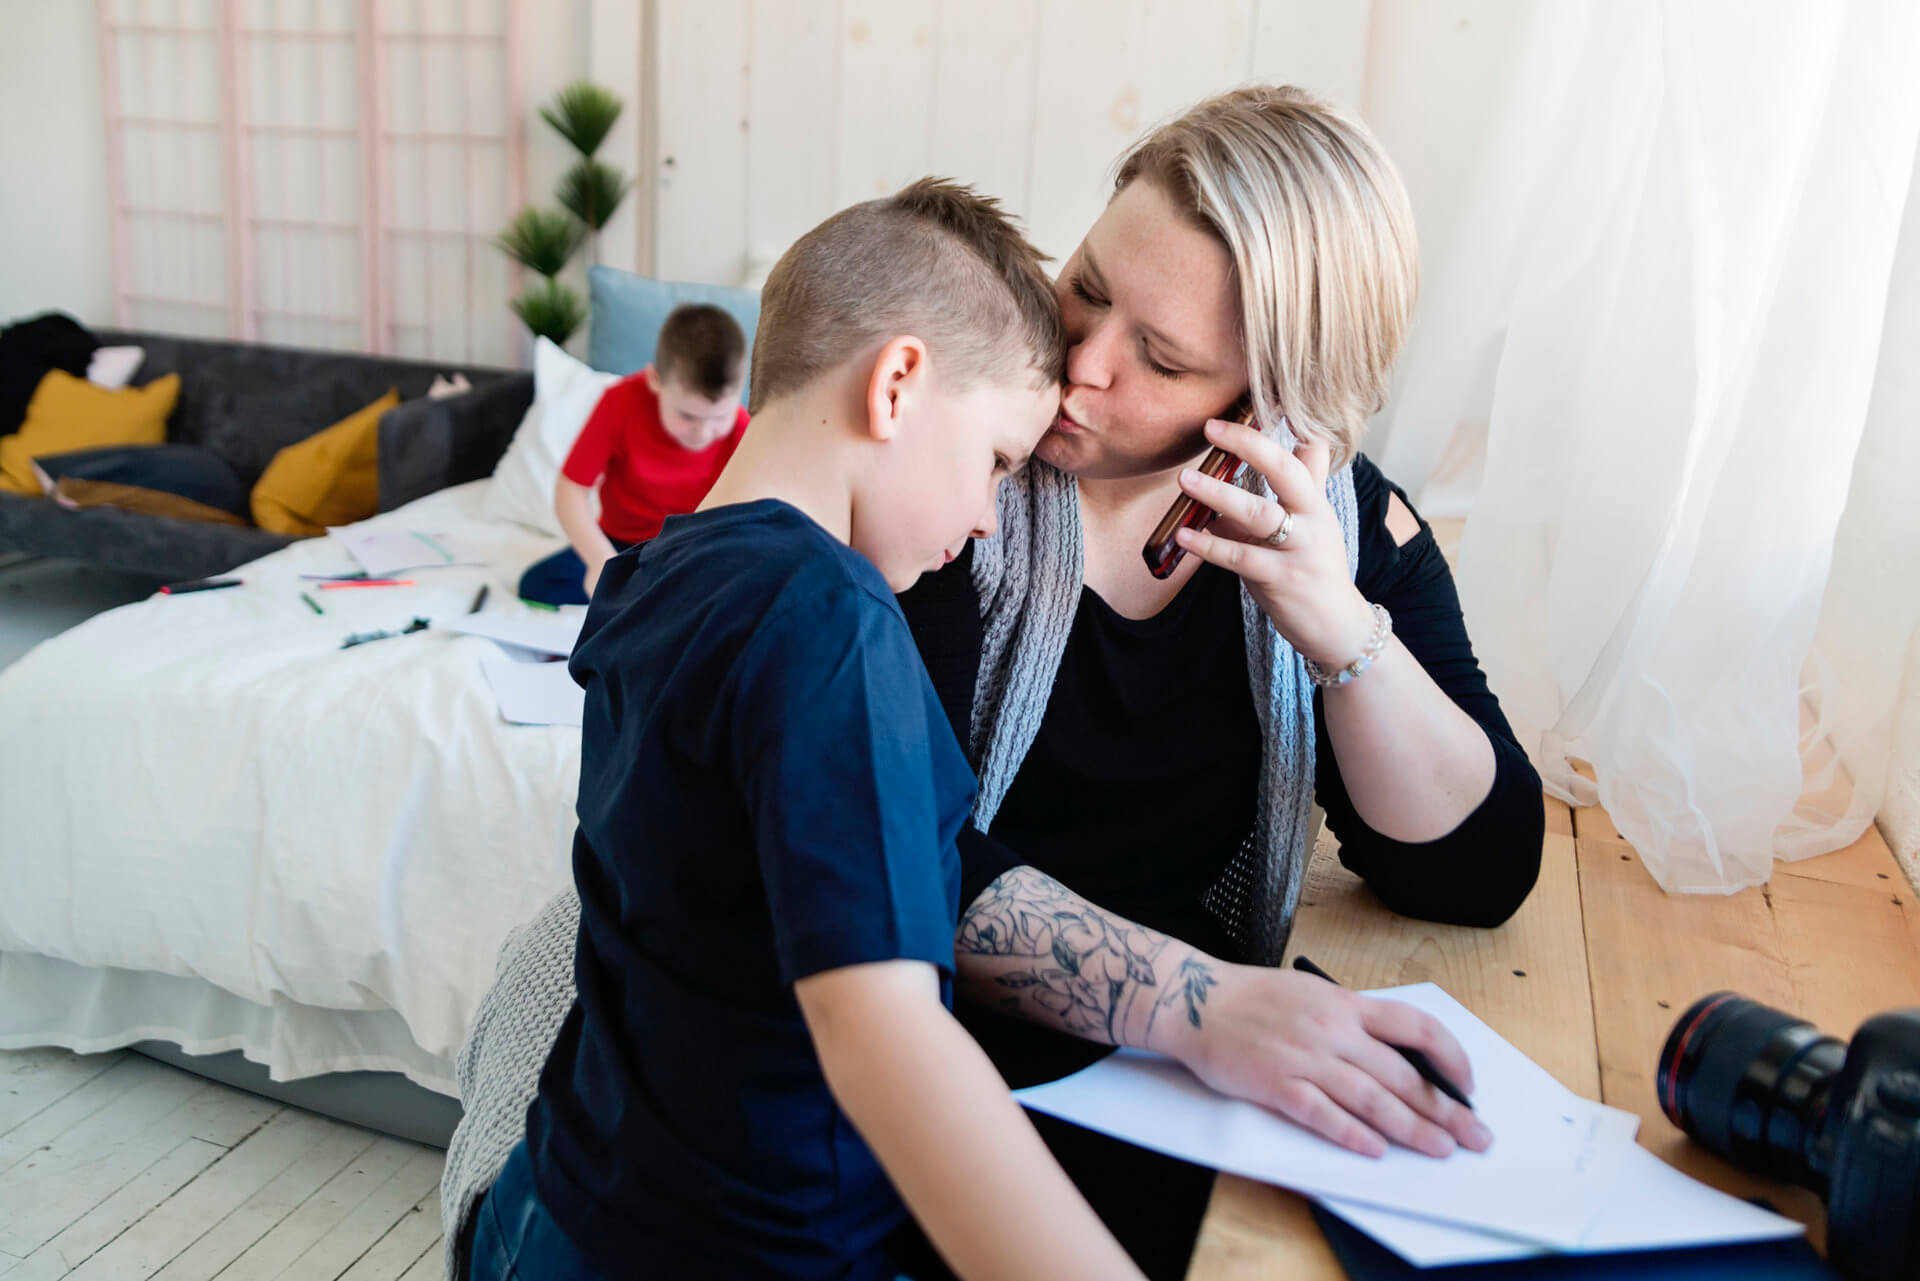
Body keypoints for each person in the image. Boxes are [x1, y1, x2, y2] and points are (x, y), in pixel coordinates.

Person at [444, 85, 1542, 1281]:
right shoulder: (908, 518)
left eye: (1163, 359)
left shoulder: (1335, 528)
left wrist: (1337, 631)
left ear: (1265, 403)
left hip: (1084, 1106)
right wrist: (1198, 1004)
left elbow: (1482, 868)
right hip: (887, 1136)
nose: (1082, 367)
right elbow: (884, 903)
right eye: (1089, 287)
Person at [470, 179, 1147, 1281]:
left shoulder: (651, 574)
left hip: (567, 1202)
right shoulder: (832, 620)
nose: (986, 519)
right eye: (993, 463)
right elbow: (889, 1041)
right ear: (897, 385)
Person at [516, 303, 750, 607]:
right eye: (688, 416)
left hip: (693, 548)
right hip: (621, 546)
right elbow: (570, 491)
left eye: (719, 417)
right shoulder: (620, 403)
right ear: (655, 380)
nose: (703, 433)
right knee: (538, 584)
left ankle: (651, 600)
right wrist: (599, 558)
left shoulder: (742, 427)